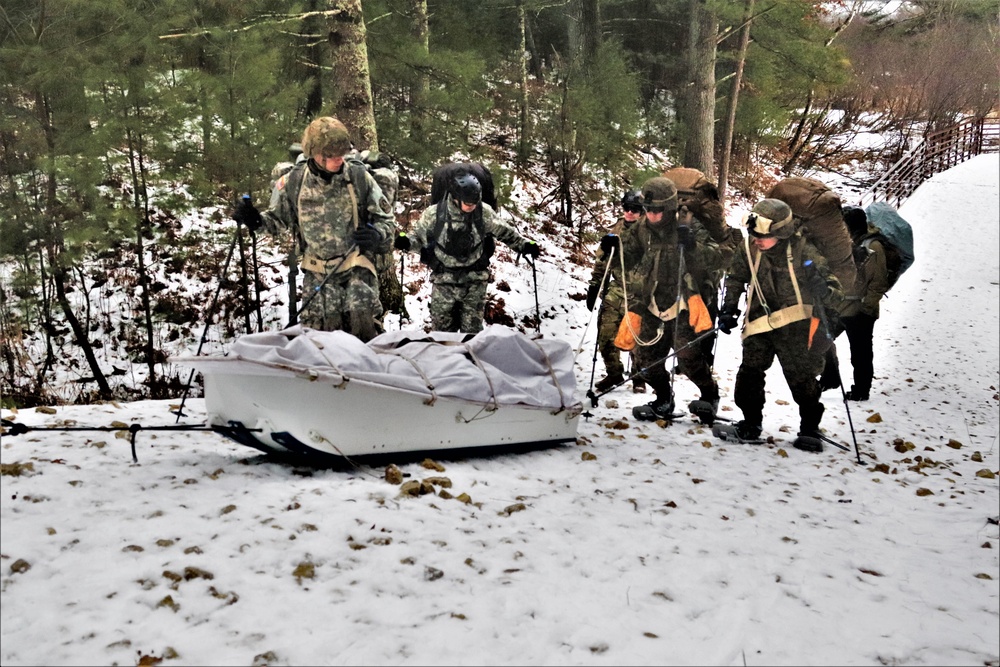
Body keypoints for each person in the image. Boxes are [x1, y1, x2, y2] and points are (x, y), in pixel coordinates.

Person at [233, 117, 396, 342]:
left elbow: (386, 220)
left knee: (365, 339)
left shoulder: (359, 178)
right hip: (317, 276)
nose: (338, 161)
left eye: (342, 154)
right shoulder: (294, 181)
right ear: (314, 154)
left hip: (357, 272)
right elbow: (276, 221)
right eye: (331, 156)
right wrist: (255, 221)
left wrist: (378, 235)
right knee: (318, 345)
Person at [715, 198, 845, 452]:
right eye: (753, 234)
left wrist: (822, 288)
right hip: (759, 322)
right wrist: (729, 308)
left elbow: (836, 294)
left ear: (781, 234)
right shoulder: (749, 247)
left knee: (801, 378)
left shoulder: (804, 251)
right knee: (749, 373)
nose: (756, 240)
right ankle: (750, 423)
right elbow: (736, 276)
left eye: (763, 236)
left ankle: (809, 428)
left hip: (796, 323)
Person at [608, 177, 725, 423]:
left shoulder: (690, 225)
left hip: (684, 301)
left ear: (669, 208)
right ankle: (663, 398)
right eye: (647, 209)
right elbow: (627, 257)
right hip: (652, 301)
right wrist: (613, 247)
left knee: (688, 358)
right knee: (644, 359)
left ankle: (709, 395)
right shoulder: (641, 227)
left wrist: (692, 246)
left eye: (657, 210)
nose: (651, 215)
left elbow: (719, 259)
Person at [394, 172, 541, 333]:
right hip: (444, 281)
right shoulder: (435, 214)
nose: (472, 206)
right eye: (468, 203)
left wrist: (525, 245)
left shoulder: (483, 213)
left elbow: (506, 233)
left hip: (474, 282)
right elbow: (418, 238)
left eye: (475, 202)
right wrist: (406, 242)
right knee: (442, 335)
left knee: (472, 335)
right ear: (456, 198)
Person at [824, 206, 890, 401]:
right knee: (820, 341)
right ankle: (830, 377)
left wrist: (867, 309)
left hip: (861, 310)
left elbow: (878, 283)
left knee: (860, 354)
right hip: (840, 306)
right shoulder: (845, 243)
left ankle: (861, 390)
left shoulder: (873, 247)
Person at [586, 189, 646, 393]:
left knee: (636, 340)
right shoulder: (614, 231)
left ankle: (639, 375)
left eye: (635, 210)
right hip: (616, 291)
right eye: (626, 208)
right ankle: (614, 373)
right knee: (605, 335)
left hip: (639, 293)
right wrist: (594, 286)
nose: (629, 213)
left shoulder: (649, 233)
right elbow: (602, 261)